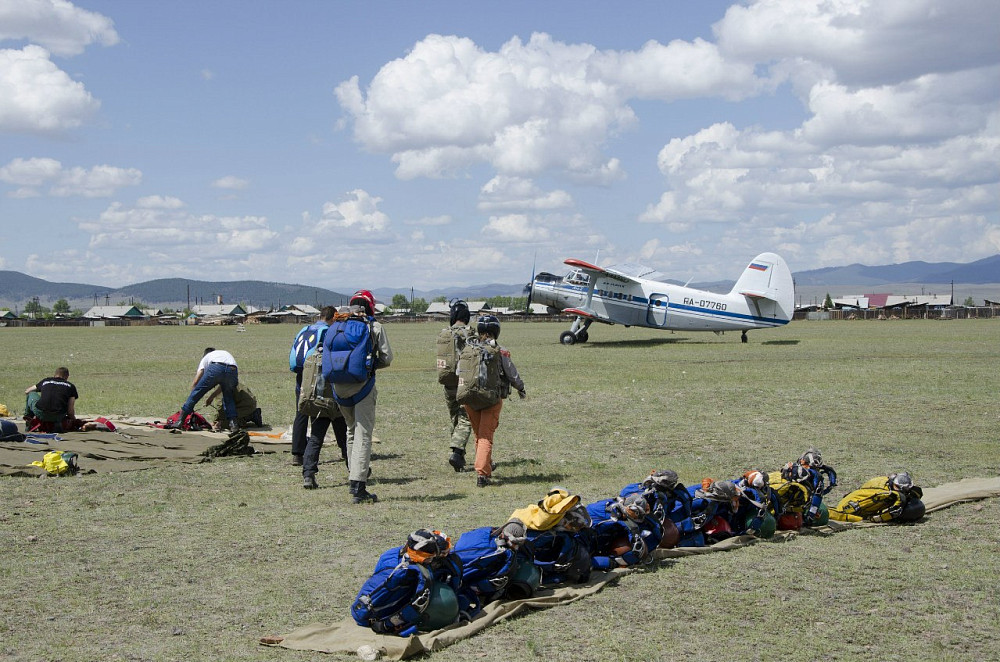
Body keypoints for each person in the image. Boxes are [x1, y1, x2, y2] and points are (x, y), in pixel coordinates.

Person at [329, 290, 392, 504]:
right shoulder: (373, 327)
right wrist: (369, 367)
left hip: (337, 386)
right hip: (362, 386)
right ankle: (359, 485)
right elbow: (387, 358)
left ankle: (352, 475)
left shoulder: (337, 324)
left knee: (350, 431)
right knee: (364, 433)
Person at [351, 529, 475, 636]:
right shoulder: (415, 573)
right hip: (370, 616)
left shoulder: (392, 554)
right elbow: (416, 606)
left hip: (365, 606)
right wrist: (385, 625)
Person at [461, 315, 525, 488]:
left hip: (470, 398)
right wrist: (520, 387)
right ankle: (482, 474)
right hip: (491, 399)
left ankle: (485, 466)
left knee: (478, 435)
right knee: (485, 437)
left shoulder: (469, 348)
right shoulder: (500, 350)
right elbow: (512, 373)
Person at [289, 306, 336, 466]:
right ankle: (315, 451)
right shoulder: (327, 331)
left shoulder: (305, 328)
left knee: (301, 410)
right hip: (316, 373)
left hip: (301, 373)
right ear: (333, 317)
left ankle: (297, 453)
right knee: (320, 410)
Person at [437, 299, 474, 472]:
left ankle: (459, 457)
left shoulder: (444, 333)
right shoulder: (471, 333)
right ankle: (457, 453)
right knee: (466, 418)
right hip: (465, 381)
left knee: (455, 418)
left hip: (448, 382)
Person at [167, 348, 239, 432]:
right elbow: (223, 386)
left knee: (197, 393)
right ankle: (233, 425)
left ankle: (180, 421)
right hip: (232, 370)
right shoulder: (224, 353)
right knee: (228, 398)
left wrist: (192, 396)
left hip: (216, 368)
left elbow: (196, 380)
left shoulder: (206, 357)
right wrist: (211, 397)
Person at [830, 472, 925, 523]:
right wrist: (878, 518)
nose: (902, 491)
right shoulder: (884, 493)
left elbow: (917, 492)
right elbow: (863, 502)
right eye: (900, 488)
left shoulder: (887, 483)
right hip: (850, 508)